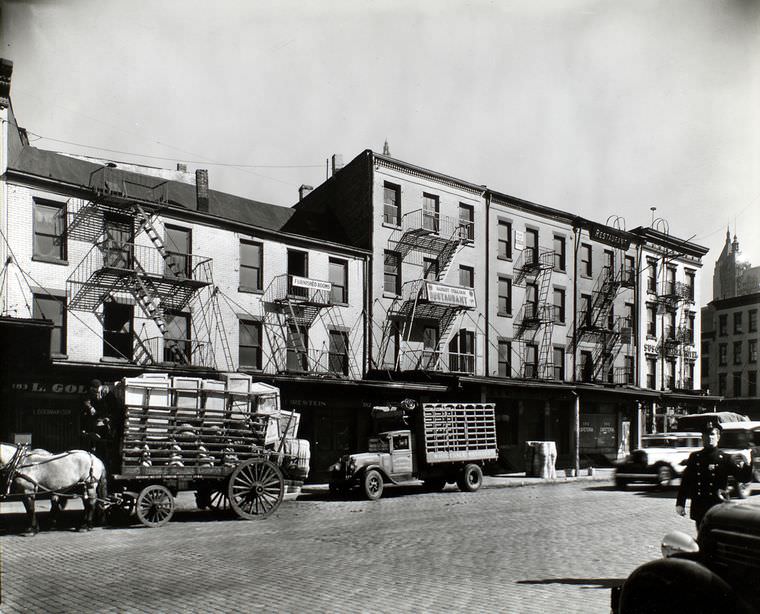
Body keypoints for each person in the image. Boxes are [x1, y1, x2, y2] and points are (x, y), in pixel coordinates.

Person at [675, 422, 752, 529]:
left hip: (718, 507)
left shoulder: (725, 458)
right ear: (702, 437)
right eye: (706, 435)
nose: (709, 437)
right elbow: (686, 481)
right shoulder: (695, 457)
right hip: (700, 507)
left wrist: (748, 465)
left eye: (712, 434)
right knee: (702, 538)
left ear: (718, 437)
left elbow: (743, 478)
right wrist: (680, 503)